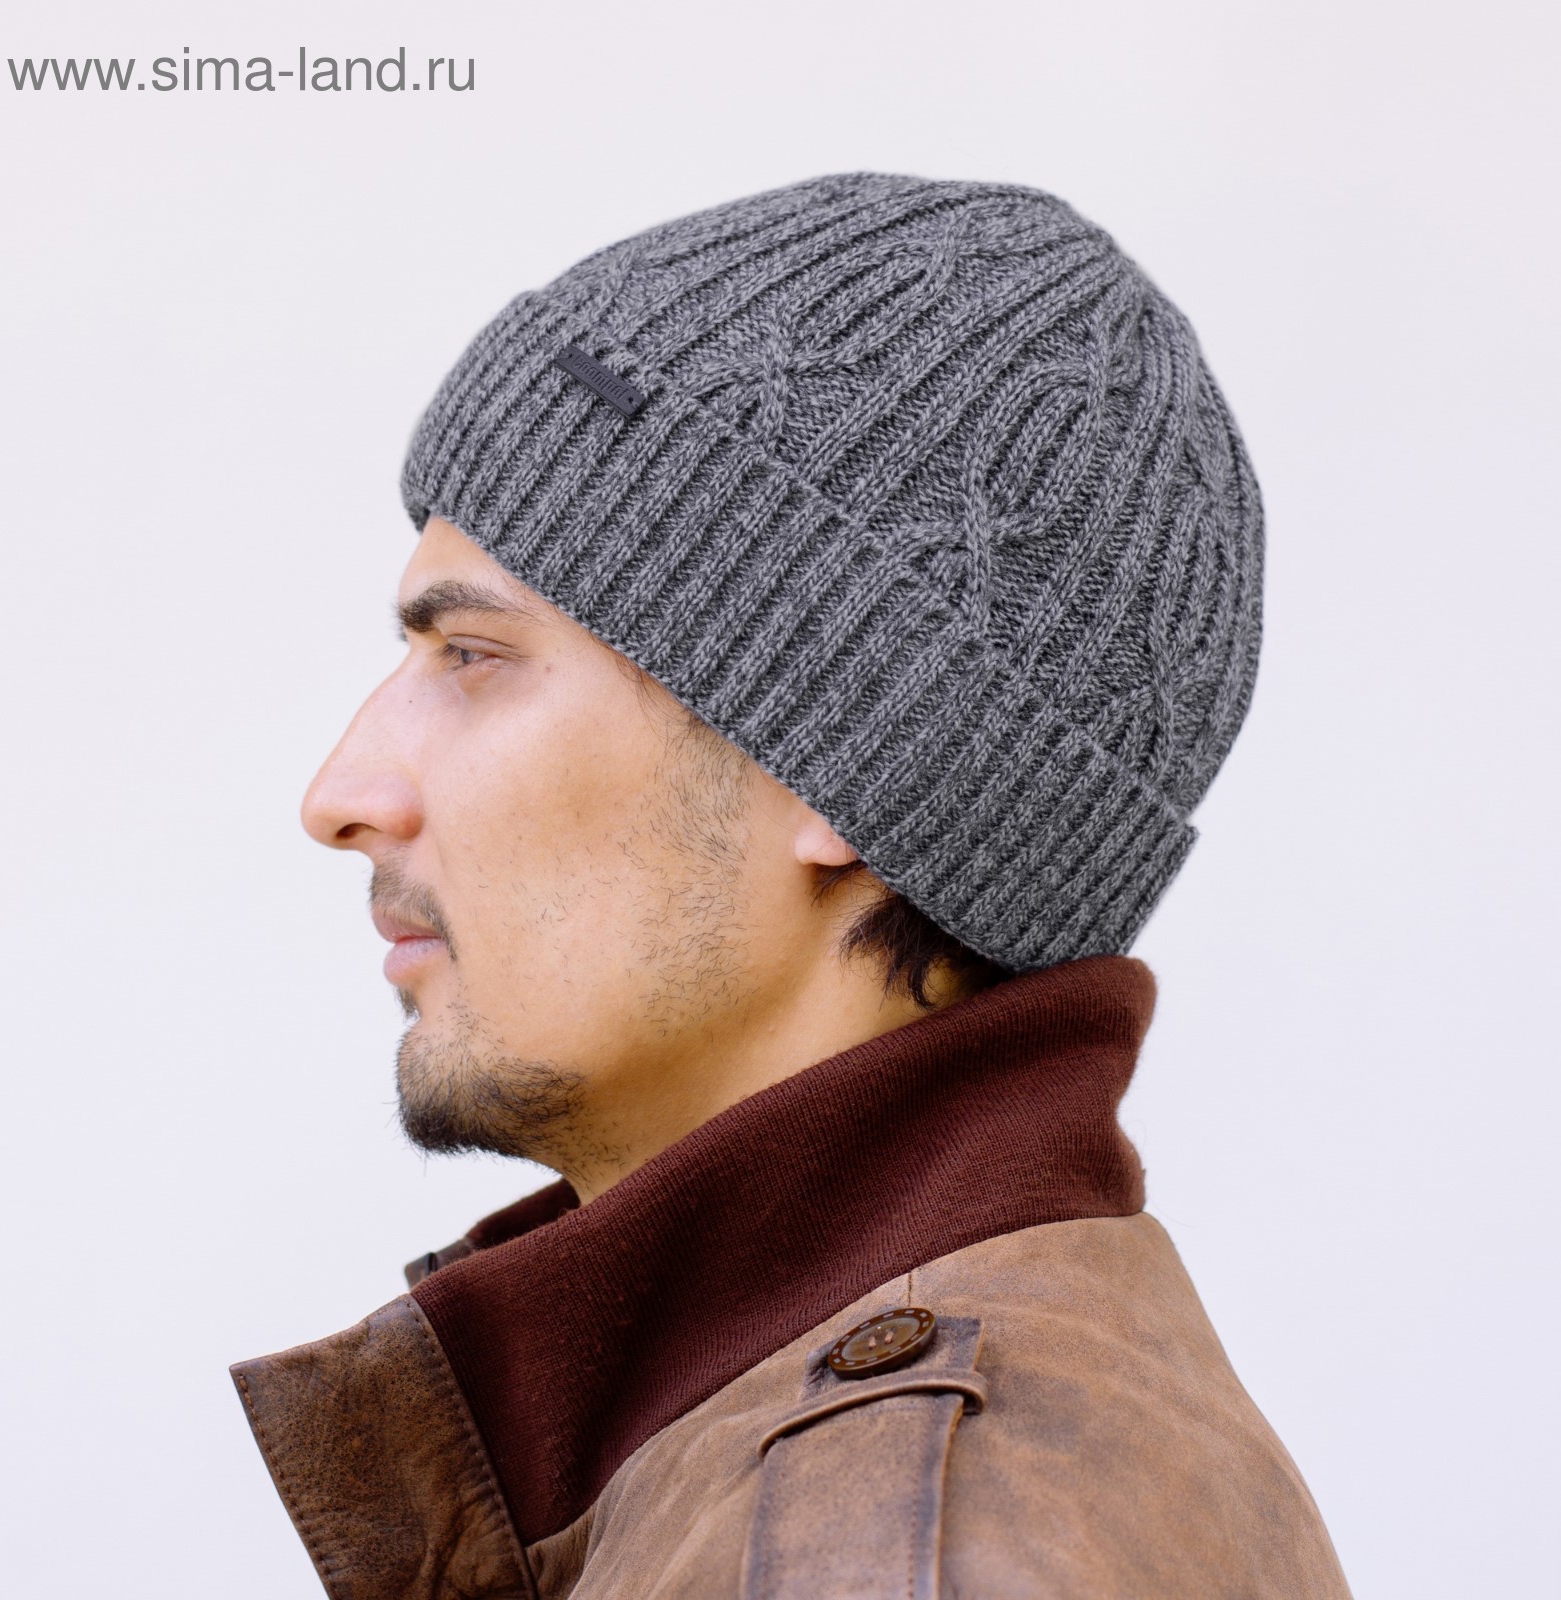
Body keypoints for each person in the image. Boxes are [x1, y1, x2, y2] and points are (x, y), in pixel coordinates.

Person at [231, 171, 1353, 1598]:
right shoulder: (874, 1450)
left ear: (856, 754)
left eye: (475, 658)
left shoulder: (900, 1546)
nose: (341, 795)